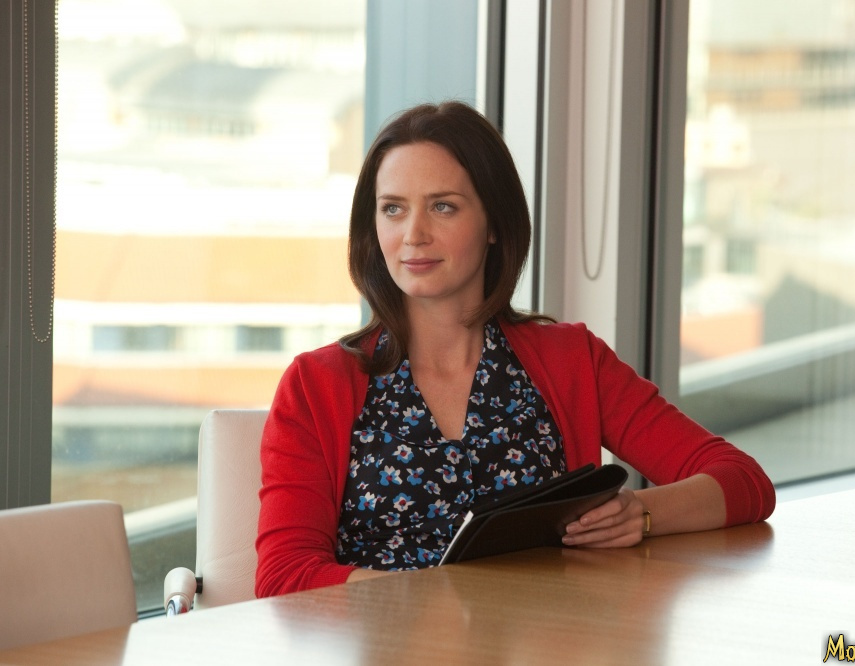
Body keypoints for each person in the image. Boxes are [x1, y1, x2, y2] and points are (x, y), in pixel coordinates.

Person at [255, 100, 775, 597]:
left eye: (442, 207)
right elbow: (283, 576)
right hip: (387, 639)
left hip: (550, 638)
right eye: (393, 209)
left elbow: (745, 482)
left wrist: (640, 512)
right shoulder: (315, 384)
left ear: (495, 226)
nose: (413, 234)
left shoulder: (572, 360)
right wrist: (432, 603)